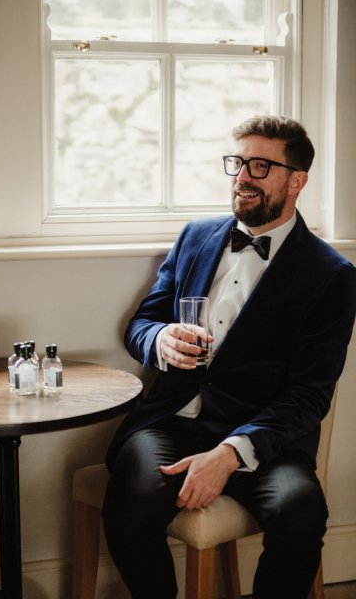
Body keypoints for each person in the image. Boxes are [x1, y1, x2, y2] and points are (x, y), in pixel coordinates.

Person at [102, 115, 356, 599]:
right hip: (172, 422)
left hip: (265, 437)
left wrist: (230, 453)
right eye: (237, 163)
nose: (242, 176)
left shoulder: (332, 274)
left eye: (260, 166)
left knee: (302, 514)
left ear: (297, 180)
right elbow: (140, 323)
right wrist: (160, 340)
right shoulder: (195, 236)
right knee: (130, 501)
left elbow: (309, 394)